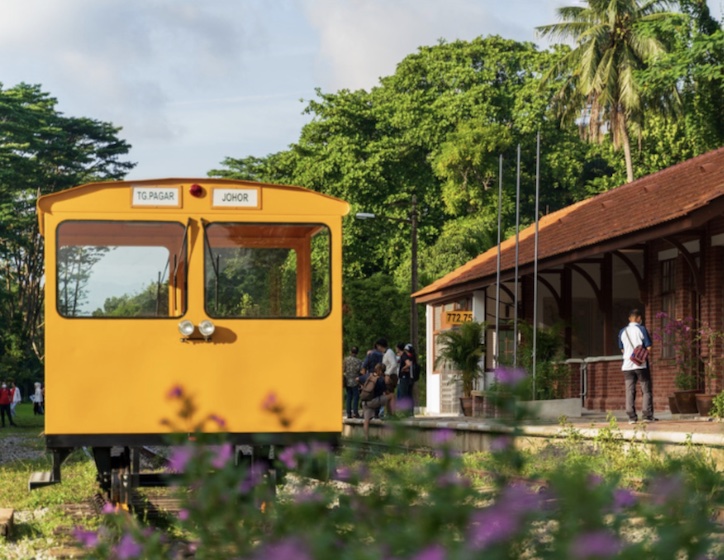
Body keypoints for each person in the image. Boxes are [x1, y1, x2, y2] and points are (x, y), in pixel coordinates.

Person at [618, 309, 655, 424]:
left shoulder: (622, 331)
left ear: (630, 319)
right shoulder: (642, 329)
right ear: (639, 318)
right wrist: (642, 356)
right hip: (641, 365)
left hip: (627, 365)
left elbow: (622, 349)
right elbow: (649, 346)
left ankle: (631, 417)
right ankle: (646, 415)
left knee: (630, 390)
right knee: (646, 389)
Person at [361, 363, 389, 439]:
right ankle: (391, 414)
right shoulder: (380, 380)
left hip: (365, 402)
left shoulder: (369, 376)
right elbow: (385, 392)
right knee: (391, 397)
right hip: (373, 402)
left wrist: (362, 386)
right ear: (381, 371)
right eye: (383, 371)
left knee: (366, 420)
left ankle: (366, 437)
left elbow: (358, 379)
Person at [343, 346, 363, 419]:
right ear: (357, 353)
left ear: (350, 352)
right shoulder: (359, 361)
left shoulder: (346, 360)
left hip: (347, 381)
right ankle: (355, 412)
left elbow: (343, 369)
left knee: (349, 397)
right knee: (356, 397)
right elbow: (361, 372)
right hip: (355, 381)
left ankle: (348, 413)